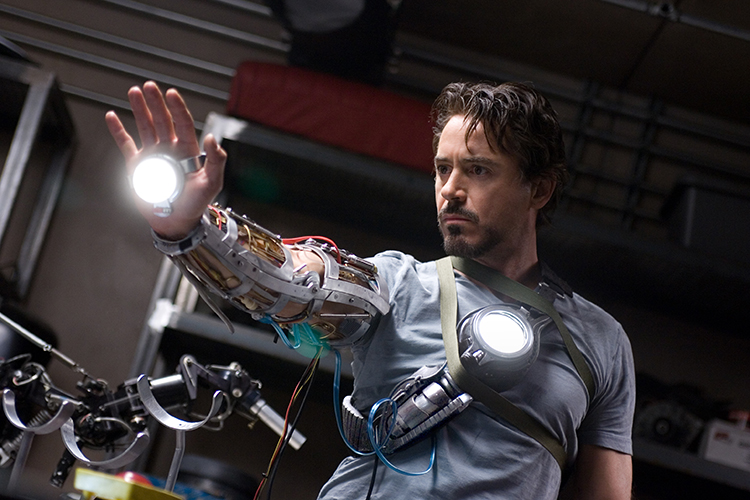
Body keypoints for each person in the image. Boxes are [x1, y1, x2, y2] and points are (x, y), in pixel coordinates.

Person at [106, 80, 635, 499]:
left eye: (478, 170)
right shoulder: (401, 283)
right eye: (442, 169)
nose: (450, 189)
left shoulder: (601, 341)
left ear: (538, 189)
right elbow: (296, 280)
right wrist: (194, 230)